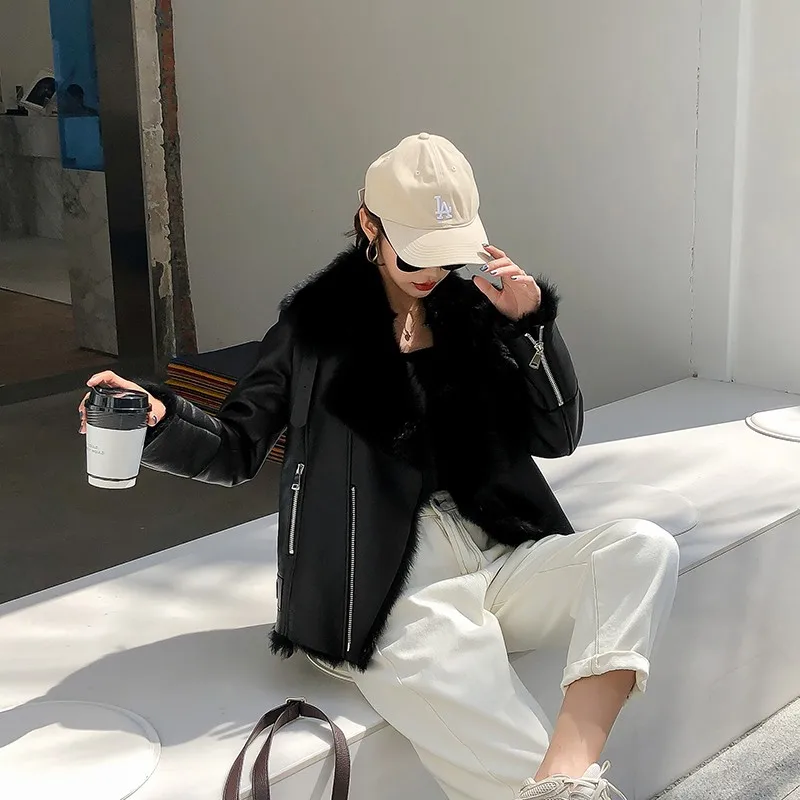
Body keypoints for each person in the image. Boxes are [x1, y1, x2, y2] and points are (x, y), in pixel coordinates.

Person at [79, 133, 679, 800]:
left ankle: (566, 773)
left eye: (448, 254)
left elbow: (558, 436)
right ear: (369, 223)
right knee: (468, 690)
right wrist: (160, 417)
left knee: (641, 550)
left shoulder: (476, 314)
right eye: (416, 252)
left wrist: (530, 326)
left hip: (497, 554)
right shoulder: (314, 330)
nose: (432, 272)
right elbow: (235, 446)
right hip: (382, 589)